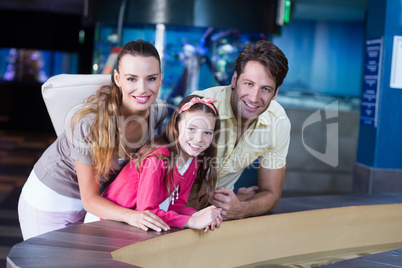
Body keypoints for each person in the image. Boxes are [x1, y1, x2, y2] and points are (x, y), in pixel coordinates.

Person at [18, 40, 170, 240]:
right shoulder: (89, 124)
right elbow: (89, 199)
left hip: (100, 206)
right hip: (51, 201)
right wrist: (132, 216)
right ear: (117, 78)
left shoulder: (158, 111)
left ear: (160, 78)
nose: (142, 89)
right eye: (132, 79)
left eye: (150, 78)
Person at [188, 40, 290, 220]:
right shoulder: (199, 108)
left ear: (275, 93)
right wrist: (225, 203)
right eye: (249, 84)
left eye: (265, 89)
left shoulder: (277, 120)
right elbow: (171, 194)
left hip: (217, 218)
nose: (254, 97)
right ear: (234, 79)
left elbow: (272, 195)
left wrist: (242, 207)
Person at [91, 95, 223, 232]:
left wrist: (197, 214)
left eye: (207, 132)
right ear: (176, 125)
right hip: (104, 222)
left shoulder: (193, 161)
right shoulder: (158, 157)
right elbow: (146, 211)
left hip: (130, 226)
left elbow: (176, 205)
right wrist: (191, 221)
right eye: (191, 129)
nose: (199, 139)